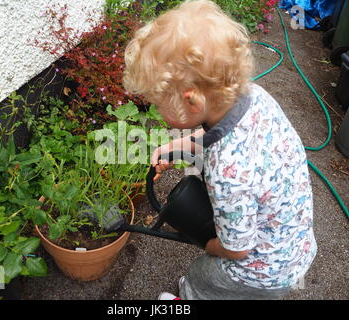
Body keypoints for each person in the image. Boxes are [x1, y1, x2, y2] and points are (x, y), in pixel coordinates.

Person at [123, 0, 317, 300]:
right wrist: (181, 145)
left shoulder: (225, 170)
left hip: (257, 270)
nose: (157, 112)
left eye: (158, 103)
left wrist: (207, 244)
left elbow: (236, 249)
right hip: (295, 245)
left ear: (191, 101)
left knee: (203, 276)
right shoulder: (256, 96)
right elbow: (235, 139)